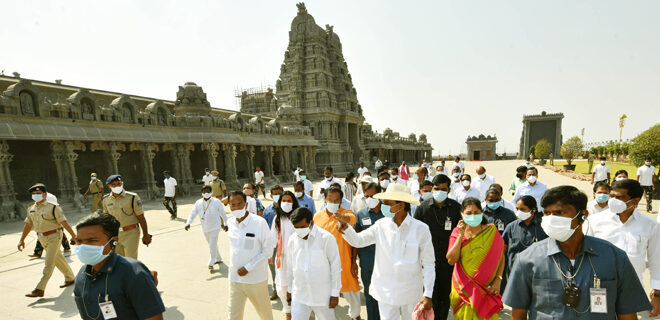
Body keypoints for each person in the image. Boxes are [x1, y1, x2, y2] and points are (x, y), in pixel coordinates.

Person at [503, 185, 651, 319]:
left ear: (582, 216)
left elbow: (627, 313)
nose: (550, 219)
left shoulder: (614, 257)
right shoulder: (528, 258)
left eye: (559, 212)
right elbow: (519, 313)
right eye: (547, 213)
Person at [337, 183, 434, 319]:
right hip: (386, 291)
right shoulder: (381, 225)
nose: (383, 206)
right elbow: (358, 241)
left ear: (401, 205)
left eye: (388, 203)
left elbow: (429, 264)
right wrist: (345, 228)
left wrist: (428, 293)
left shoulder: (421, 229)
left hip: (410, 292)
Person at [584, 179, 660, 317]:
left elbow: (656, 261)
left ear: (635, 201)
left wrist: (657, 294)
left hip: (631, 289)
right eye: (612, 196)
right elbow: (582, 255)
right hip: (599, 288)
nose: (613, 200)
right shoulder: (594, 222)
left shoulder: (650, 225)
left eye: (619, 197)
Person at [73, 213, 165, 319]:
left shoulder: (134, 273)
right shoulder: (81, 275)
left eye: (92, 240)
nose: (84, 246)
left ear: (113, 242)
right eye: (79, 241)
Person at [446, 197, 505, 319]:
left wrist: (498, 279)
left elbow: (501, 256)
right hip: (464, 290)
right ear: (462, 214)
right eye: (468, 213)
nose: (473, 216)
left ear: (481, 213)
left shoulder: (491, 231)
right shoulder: (457, 233)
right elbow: (451, 260)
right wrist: (460, 235)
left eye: (476, 212)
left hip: (486, 290)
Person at [414, 174, 462, 319]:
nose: (439, 191)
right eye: (436, 188)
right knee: (429, 294)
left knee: (445, 295)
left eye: (443, 189)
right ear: (432, 189)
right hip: (427, 261)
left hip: (449, 262)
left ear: (448, 190)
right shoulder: (422, 208)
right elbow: (415, 236)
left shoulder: (455, 208)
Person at [17, 183, 77, 297]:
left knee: (49, 263)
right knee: (58, 258)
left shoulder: (53, 207)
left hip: (54, 236)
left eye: (39, 193)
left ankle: (40, 289)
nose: (36, 195)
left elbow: (64, 222)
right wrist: (22, 240)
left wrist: (74, 235)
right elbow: (28, 225)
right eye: (34, 194)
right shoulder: (31, 208)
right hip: (41, 237)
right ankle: (70, 278)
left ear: (44, 195)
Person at [313, 187, 361, 320]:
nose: (333, 202)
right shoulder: (317, 217)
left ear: (341, 201)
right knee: (325, 297)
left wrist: (342, 218)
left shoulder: (347, 213)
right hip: (324, 265)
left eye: (336, 200)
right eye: (330, 199)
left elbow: (351, 219)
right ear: (325, 199)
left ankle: (355, 316)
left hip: (344, 263)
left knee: (352, 295)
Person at [285, 207, 341, 320]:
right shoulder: (292, 240)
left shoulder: (326, 238)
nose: (299, 230)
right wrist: (289, 290)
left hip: (322, 296)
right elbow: (290, 267)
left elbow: (335, 268)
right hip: (300, 295)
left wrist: (335, 293)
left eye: (302, 227)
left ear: (311, 222)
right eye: (296, 228)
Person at [226, 191, 275, 320]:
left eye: (239, 204)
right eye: (233, 205)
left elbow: (268, 250)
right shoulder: (230, 223)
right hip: (235, 278)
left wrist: (248, 267)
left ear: (246, 204)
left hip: (255, 279)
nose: (236, 208)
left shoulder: (259, 223)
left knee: (265, 315)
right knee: (233, 315)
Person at [501, 196, 547, 292]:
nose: (518, 212)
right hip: (515, 272)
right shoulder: (511, 227)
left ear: (533, 209)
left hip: (537, 273)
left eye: (522, 209)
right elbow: (502, 251)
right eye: (517, 209)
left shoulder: (543, 226)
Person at [353, 183, 384, 320]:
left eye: (373, 196)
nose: (370, 199)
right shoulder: (361, 214)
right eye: (367, 196)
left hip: (387, 263)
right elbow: (355, 240)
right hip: (368, 263)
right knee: (370, 296)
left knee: (386, 297)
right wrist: (353, 261)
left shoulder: (389, 213)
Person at [102, 175, 151, 259]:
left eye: (119, 183)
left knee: (130, 259)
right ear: (109, 186)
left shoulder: (132, 197)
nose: (117, 186)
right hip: (115, 234)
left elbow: (141, 217)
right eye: (113, 184)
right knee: (120, 261)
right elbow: (107, 219)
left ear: (122, 183)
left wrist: (145, 234)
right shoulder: (106, 199)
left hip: (131, 233)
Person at [184, 186, 228, 270]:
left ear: (211, 192)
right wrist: (188, 223)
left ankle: (211, 261)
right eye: (204, 192)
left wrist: (226, 223)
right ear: (202, 192)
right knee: (211, 243)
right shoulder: (198, 202)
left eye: (208, 191)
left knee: (212, 243)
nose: (206, 193)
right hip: (205, 227)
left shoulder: (216, 202)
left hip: (215, 226)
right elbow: (193, 213)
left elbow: (223, 213)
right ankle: (218, 258)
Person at [271, 191, 299, 317]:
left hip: (297, 256)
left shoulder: (298, 216)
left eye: (289, 201)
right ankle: (287, 310)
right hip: (282, 256)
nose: (286, 203)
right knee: (282, 285)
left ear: (294, 202)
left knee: (297, 283)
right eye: (284, 200)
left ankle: (299, 310)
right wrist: (268, 255)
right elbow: (272, 238)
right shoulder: (277, 218)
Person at [29, 191, 72, 258]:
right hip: (46, 219)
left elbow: (54, 206)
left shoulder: (49, 197)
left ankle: (66, 247)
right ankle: (37, 253)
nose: (36, 195)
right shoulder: (47, 196)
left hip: (53, 218)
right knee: (41, 236)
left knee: (60, 233)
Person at [263, 185, 283, 299]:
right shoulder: (267, 211)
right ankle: (276, 290)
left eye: (279, 194)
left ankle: (290, 293)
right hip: (272, 245)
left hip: (286, 244)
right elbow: (264, 228)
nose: (277, 196)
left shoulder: (289, 208)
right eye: (275, 194)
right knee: (273, 268)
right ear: (271, 196)